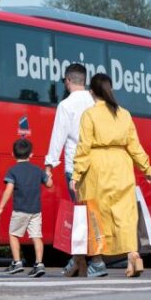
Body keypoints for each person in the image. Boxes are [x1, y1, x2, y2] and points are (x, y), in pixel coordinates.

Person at [72, 73, 151, 278]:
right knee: (125, 216)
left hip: (97, 169)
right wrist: (147, 170)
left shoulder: (89, 115)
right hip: (122, 167)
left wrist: (76, 175)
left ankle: (97, 263)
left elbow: (84, 148)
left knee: (96, 216)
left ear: (92, 92)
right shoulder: (124, 114)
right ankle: (133, 255)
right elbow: (134, 145)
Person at [44, 63, 99, 277]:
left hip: (74, 166)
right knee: (91, 213)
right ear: (84, 80)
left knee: (80, 216)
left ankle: (87, 261)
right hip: (95, 166)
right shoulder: (95, 102)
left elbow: (58, 137)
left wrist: (49, 165)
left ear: (68, 81)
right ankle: (81, 262)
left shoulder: (66, 105)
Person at [0, 138, 54, 277]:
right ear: (31, 155)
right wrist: (48, 175)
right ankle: (39, 264)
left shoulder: (12, 171)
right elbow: (49, 184)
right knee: (36, 236)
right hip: (35, 211)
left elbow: (8, 189)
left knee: (14, 234)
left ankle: (17, 262)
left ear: (13, 154)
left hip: (20, 210)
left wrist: (1, 207)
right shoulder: (37, 171)